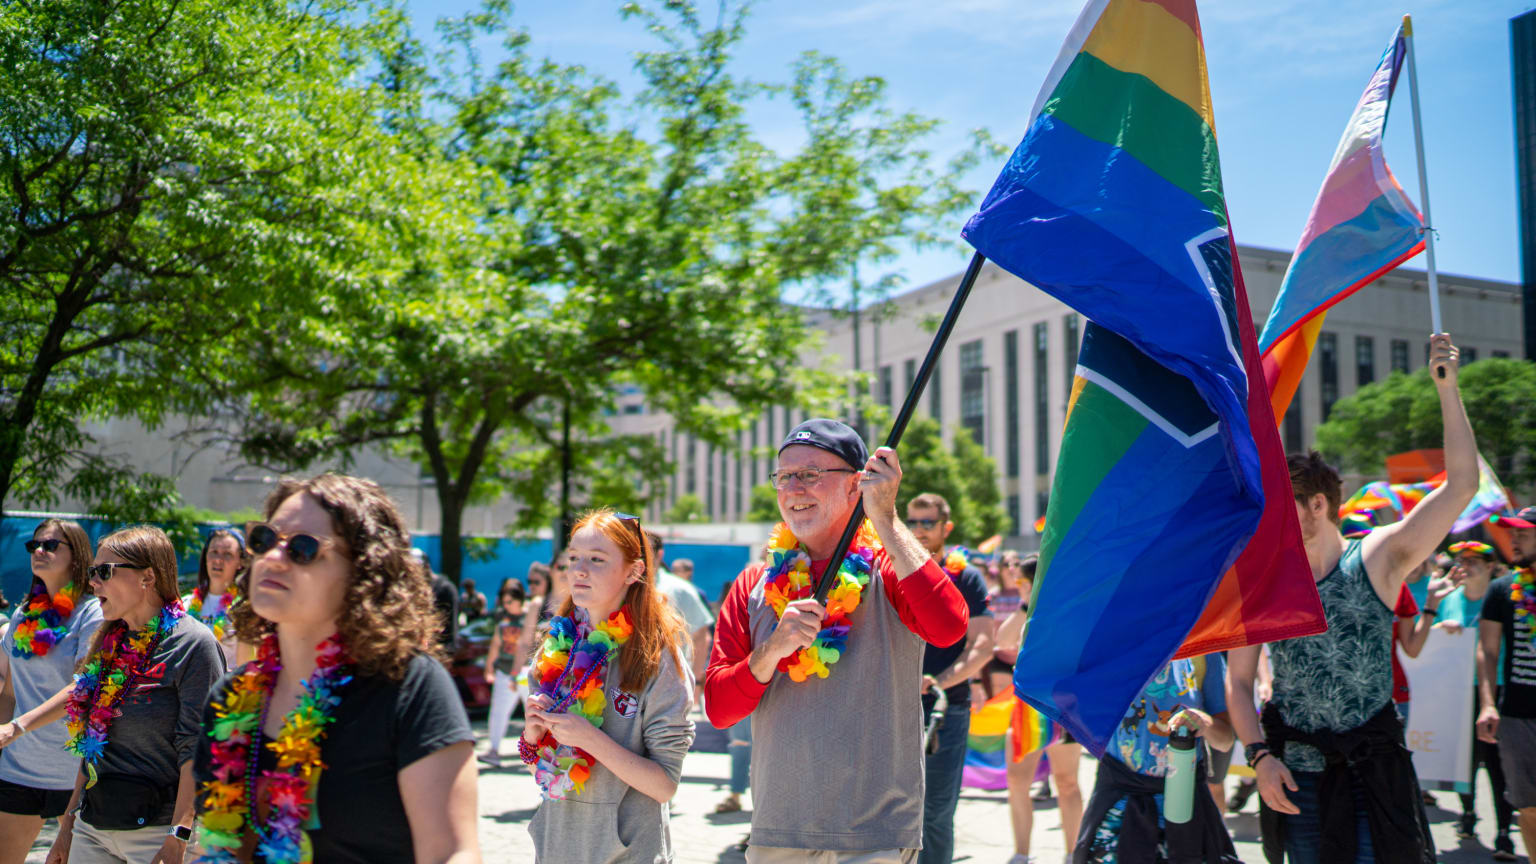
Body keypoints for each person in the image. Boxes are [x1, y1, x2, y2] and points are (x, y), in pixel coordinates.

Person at [1228, 333, 1475, 864]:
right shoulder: (1267, 575)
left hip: (1372, 770)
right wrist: (1260, 758)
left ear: (1318, 505)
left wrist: (1447, 389)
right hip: (1294, 774)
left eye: (1284, 508)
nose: (1272, 521)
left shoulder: (1378, 556)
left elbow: (1460, 487)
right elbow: (1240, 681)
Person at [705, 418, 968, 862]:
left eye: (810, 474)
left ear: (855, 485)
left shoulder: (890, 567)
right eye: (784, 476)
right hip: (779, 833)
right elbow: (718, 708)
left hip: (875, 833)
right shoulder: (753, 584)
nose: (794, 488)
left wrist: (886, 518)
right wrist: (772, 651)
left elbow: (949, 627)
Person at [192, 473, 480, 863]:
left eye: (303, 548)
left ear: (362, 573)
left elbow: (454, 853)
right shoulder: (229, 699)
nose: (273, 557)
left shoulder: (409, 686)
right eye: (264, 539)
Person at [30, 526, 223, 864]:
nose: (93, 582)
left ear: (148, 577)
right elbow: (92, 746)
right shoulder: (108, 643)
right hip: (92, 827)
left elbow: (198, 747)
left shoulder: (194, 644)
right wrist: (67, 829)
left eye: (104, 571)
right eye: (92, 572)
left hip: (158, 834)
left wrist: (179, 834)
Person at [522, 509, 695, 863]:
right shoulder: (555, 647)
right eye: (573, 558)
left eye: (597, 559)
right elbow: (542, 772)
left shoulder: (657, 657)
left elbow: (664, 785)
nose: (579, 570)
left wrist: (590, 739)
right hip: (556, 850)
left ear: (633, 571)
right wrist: (531, 738)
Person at [0, 519, 103, 864]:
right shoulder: (22, 616)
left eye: (51, 545)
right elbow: (10, 694)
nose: (39, 551)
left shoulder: (92, 612)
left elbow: (81, 689)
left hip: (72, 773)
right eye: (34, 545)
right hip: (17, 770)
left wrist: (18, 726)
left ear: (78, 554)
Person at [1075, 655, 1239, 863]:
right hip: (1119, 807)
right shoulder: (1112, 648)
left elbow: (1225, 741)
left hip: (1184, 807)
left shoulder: (1203, 653)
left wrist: (1205, 722)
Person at [906, 492, 994, 864]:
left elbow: (983, 646)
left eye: (928, 523)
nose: (919, 530)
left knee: (935, 813)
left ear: (947, 527)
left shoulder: (967, 577)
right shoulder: (893, 570)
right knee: (889, 811)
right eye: (912, 522)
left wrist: (938, 681)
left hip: (945, 711)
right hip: (892, 706)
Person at [994, 572, 1084, 864]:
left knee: (1067, 782)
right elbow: (1003, 641)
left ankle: (1072, 854)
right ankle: (1021, 853)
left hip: (1063, 707)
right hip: (1026, 709)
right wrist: (1025, 605)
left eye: (1024, 582)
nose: (1019, 586)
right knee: (1017, 781)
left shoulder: (1067, 608)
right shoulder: (1025, 611)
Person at [1438, 541, 1517, 859]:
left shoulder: (1501, 598)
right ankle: (1468, 812)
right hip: (1457, 690)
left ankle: (1504, 833)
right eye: (1461, 560)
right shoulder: (1449, 600)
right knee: (1463, 761)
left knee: (1499, 765)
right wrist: (1439, 626)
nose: (1465, 566)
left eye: (1473, 561)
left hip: (1496, 688)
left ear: (1490, 567)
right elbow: (1426, 640)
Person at [1478, 505, 1536, 861]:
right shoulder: (1501, 590)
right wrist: (1487, 703)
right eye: (1512, 533)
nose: (1513, 540)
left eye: (1523, 533)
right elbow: (1487, 651)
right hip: (1516, 716)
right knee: (1528, 807)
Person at [650, 532, 712, 706]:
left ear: (659, 554)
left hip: (670, 689)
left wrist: (696, 682)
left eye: (644, 549)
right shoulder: (620, 586)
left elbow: (701, 636)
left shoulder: (680, 589)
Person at [182, 528, 249, 667]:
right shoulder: (185, 605)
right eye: (214, 552)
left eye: (227, 554)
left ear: (241, 562)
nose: (218, 560)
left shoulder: (244, 609)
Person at [479, 581, 528, 767]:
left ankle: (540, 753)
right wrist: (489, 668)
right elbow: (496, 644)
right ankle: (493, 750)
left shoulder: (530, 617)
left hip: (525, 672)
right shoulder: (503, 621)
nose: (506, 606)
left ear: (519, 600)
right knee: (498, 712)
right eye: (504, 602)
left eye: (509, 602)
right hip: (505, 671)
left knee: (533, 712)